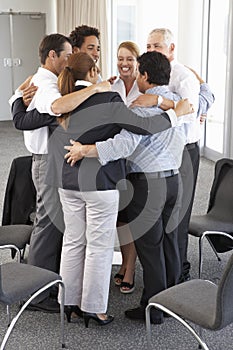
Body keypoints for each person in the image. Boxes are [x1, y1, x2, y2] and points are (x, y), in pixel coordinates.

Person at [64, 51, 190, 324]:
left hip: (147, 186)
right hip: (174, 181)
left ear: (143, 76)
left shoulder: (140, 107)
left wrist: (87, 149)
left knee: (151, 248)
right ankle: (174, 302)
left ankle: (154, 309)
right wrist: (162, 101)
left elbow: (123, 145)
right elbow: (202, 101)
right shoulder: (180, 103)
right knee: (170, 243)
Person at [9, 33, 111, 313]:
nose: (69, 61)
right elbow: (56, 108)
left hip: (49, 157)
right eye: (67, 55)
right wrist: (95, 89)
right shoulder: (47, 84)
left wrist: (18, 98)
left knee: (55, 222)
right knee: (48, 222)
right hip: (47, 159)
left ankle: (46, 282)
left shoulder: (40, 81)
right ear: (52, 56)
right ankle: (36, 294)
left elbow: (15, 100)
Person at [131, 28, 215, 282]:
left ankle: (178, 276)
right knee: (164, 218)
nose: (151, 50)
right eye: (148, 45)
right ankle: (165, 276)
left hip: (182, 150)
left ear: (171, 48)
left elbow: (186, 111)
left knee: (177, 218)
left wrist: (158, 102)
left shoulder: (182, 76)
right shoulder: (152, 72)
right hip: (161, 150)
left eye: (156, 45)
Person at [109, 41, 141, 293]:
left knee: (132, 218)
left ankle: (130, 267)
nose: (124, 63)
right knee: (121, 219)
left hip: (140, 162)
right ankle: (124, 264)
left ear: (138, 61)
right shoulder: (113, 86)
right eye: (120, 58)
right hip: (117, 161)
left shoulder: (145, 88)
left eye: (129, 59)